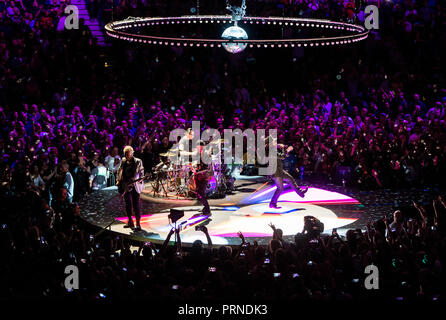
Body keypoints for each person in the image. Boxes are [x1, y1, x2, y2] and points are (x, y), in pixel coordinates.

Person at [267, 137, 308, 209]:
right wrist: (287, 150)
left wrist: (282, 147)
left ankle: (300, 192)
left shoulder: (272, 149)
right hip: (276, 172)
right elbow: (282, 156)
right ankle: (272, 204)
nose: (276, 143)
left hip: (279, 170)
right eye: (274, 142)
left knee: (290, 178)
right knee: (280, 188)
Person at [116, 146, 144, 230]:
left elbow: (141, 173)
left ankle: (138, 223)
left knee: (136, 204)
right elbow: (119, 171)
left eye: (128, 154)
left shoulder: (138, 161)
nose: (127, 155)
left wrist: (138, 180)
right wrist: (119, 181)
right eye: (125, 154)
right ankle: (130, 222)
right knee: (128, 205)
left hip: (135, 186)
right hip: (126, 186)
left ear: (132, 153)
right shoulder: (123, 161)